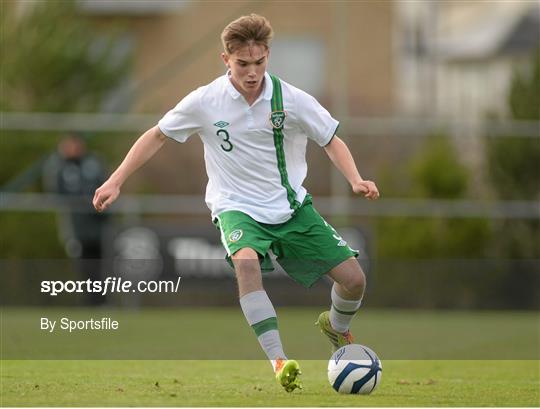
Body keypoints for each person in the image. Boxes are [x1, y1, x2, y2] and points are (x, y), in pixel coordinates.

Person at [93, 14, 379, 392]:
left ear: (268, 57)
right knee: (246, 264)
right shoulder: (206, 100)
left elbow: (330, 138)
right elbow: (157, 135)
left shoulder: (290, 99)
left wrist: (355, 178)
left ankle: (336, 327)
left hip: (290, 208)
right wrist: (116, 179)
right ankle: (279, 361)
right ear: (225, 59)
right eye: (243, 63)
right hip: (236, 206)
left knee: (354, 280)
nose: (252, 72)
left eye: (259, 62)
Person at [44, 133, 109, 306]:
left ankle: (102, 302)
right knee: (83, 265)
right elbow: (56, 192)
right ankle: (87, 302)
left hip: (98, 224)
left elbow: (104, 184)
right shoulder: (59, 167)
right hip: (76, 227)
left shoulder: (93, 163)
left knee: (101, 264)